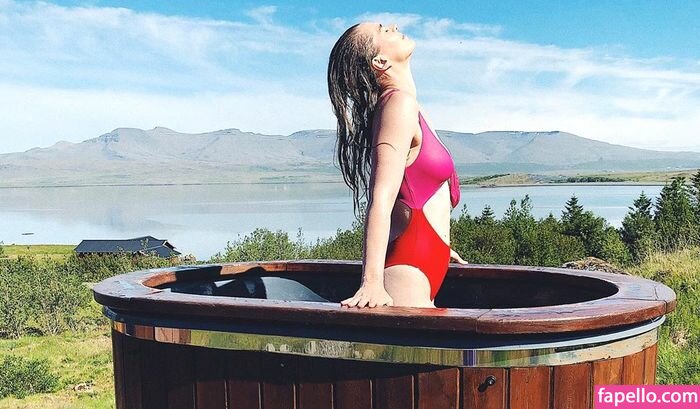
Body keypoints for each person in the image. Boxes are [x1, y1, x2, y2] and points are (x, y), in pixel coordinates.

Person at [327, 22, 467, 309]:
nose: (393, 26)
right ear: (379, 61)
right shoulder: (397, 105)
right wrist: (372, 282)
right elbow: (381, 197)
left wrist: (440, 246)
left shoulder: (411, 106)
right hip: (408, 268)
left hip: (424, 258)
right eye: (383, 30)